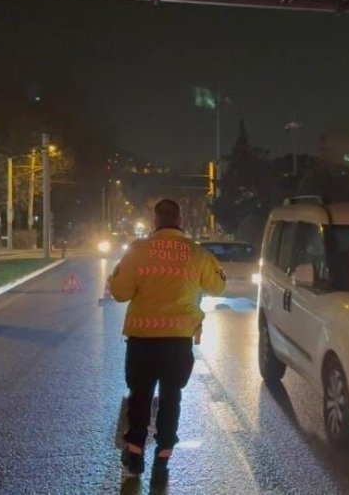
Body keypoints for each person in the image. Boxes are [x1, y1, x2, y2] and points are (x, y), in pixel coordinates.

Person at [109, 199, 226, 486]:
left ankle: (134, 453)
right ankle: (164, 453)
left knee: (140, 394)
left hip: (142, 339)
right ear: (181, 219)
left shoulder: (138, 251)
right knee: (172, 394)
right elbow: (218, 285)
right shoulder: (196, 253)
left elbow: (120, 292)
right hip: (178, 340)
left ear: (154, 220)